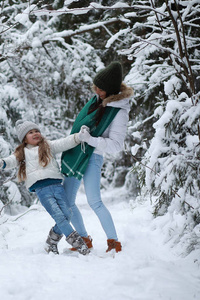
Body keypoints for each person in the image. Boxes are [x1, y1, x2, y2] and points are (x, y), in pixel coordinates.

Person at [61, 61, 134, 253]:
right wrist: (82, 134)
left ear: (110, 91)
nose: (96, 91)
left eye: (100, 89)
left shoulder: (119, 112)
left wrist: (90, 139)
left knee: (95, 201)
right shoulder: (97, 101)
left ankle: (114, 243)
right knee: (67, 203)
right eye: (96, 87)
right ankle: (84, 239)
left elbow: (116, 146)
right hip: (77, 155)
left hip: (93, 157)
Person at [0, 120, 91, 255]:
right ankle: (78, 244)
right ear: (24, 138)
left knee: (68, 214)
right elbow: (11, 161)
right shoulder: (22, 153)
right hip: (42, 190)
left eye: (36, 131)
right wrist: (0, 163)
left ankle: (51, 242)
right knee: (59, 217)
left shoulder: (47, 146)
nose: (35, 133)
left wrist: (79, 137)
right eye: (30, 132)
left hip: (57, 185)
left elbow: (63, 143)